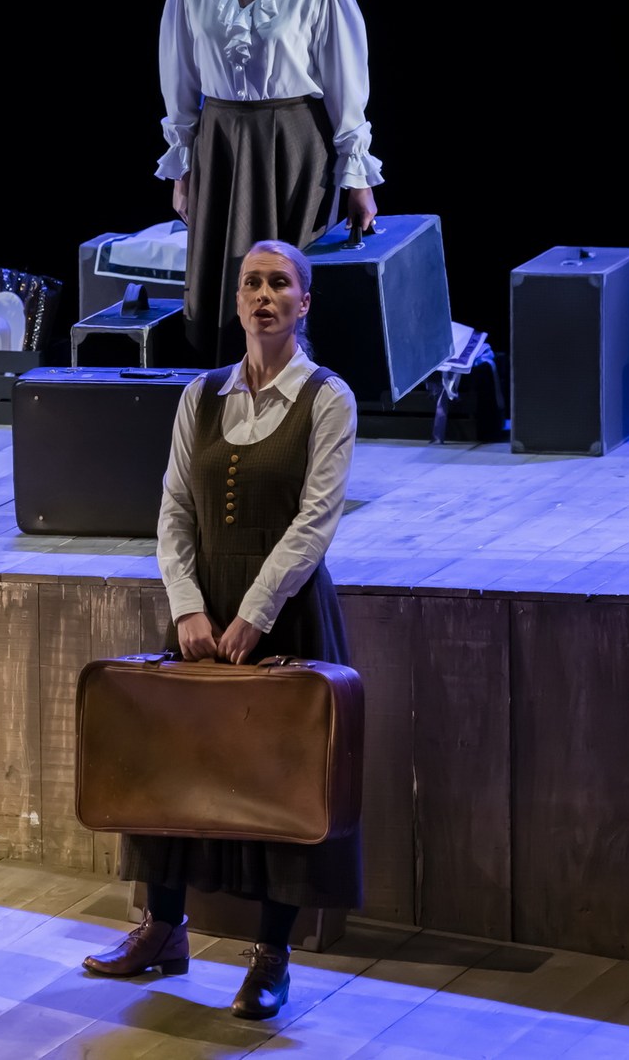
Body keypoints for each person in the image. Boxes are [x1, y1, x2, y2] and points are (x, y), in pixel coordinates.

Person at [83, 240, 361, 1021]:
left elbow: (316, 520)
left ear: (304, 302)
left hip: (286, 611)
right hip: (202, 611)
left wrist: (256, 613)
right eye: (251, 283)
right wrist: (186, 605)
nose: (263, 295)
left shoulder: (327, 398)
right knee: (173, 766)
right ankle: (162, 926)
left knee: (279, 780)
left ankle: (271, 955)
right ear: (237, 301)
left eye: (279, 283)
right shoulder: (201, 395)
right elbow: (174, 507)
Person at [157, 0, 382, 368]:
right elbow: (180, 78)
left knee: (285, 281)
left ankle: (294, 396)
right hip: (220, 144)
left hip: (293, 147)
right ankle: (227, 392)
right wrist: (184, 169)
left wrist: (358, 179)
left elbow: (347, 86)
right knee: (225, 281)